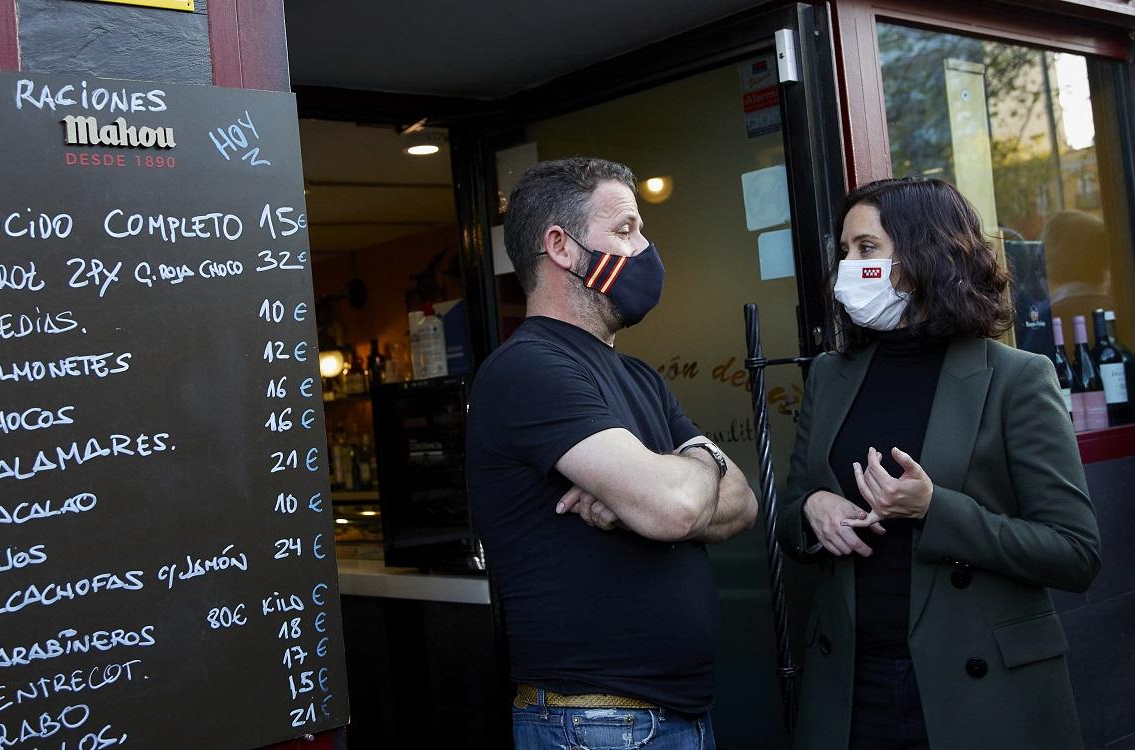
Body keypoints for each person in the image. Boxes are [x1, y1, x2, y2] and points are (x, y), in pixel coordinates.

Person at [777, 177, 1102, 749]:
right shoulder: (832, 374)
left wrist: (933, 509)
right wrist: (812, 510)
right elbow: (788, 514)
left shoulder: (1015, 379)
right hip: (853, 688)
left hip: (978, 692)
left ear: (925, 255)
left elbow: (1074, 554)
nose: (848, 267)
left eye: (867, 249)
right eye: (846, 252)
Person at [466, 157, 758, 749]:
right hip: (595, 723)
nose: (645, 249)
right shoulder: (530, 369)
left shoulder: (638, 376)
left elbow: (744, 503)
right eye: (626, 230)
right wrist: (693, 471)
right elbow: (675, 509)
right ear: (562, 247)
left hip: (670, 717)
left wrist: (681, 474)